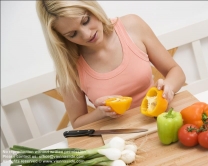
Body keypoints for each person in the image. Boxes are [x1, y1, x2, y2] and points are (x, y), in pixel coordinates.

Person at [36, 0, 186, 129]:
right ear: (61, 38)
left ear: (92, 7)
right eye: (73, 34)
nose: (87, 34)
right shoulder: (69, 67)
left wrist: (168, 87)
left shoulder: (132, 26)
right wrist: (100, 113)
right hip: (117, 136)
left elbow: (176, 71)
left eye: (86, 20)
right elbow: (77, 123)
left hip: (160, 120)